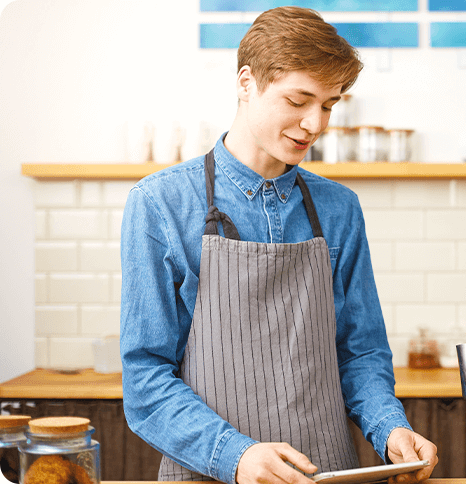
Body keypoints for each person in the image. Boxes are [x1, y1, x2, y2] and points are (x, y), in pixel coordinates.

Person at [120, 7, 437, 484]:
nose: (314, 124)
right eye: (298, 100)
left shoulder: (339, 208)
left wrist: (390, 429)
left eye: (328, 105)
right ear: (247, 83)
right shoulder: (160, 203)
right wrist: (237, 456)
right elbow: (146, 380)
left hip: (327, 471)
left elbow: (360, 353)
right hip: (209, 474)